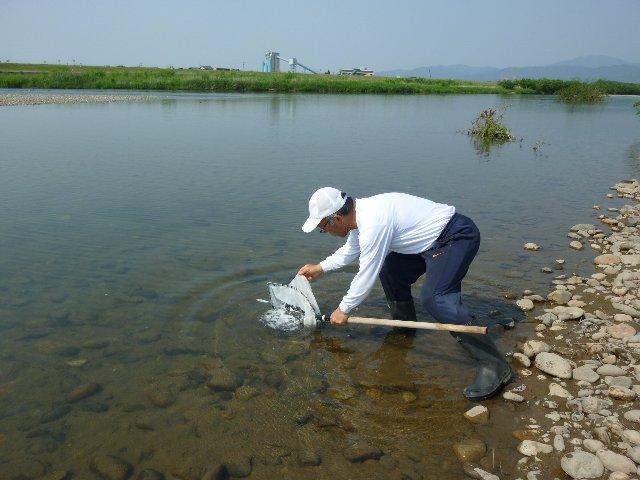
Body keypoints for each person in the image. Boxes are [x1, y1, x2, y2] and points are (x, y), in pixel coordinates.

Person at [297, 186, 513, 400]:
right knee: (391, 271)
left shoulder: (374, 221)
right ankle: (404, 327)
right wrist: (320, 267)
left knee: (436, 299)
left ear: (336, 219)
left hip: (455, 237)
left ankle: (494, 365)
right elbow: (352, 251)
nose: (324, 231)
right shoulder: (359, 217)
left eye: (323, 226)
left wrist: (343, 309)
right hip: (426, 244)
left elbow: (366, 273)